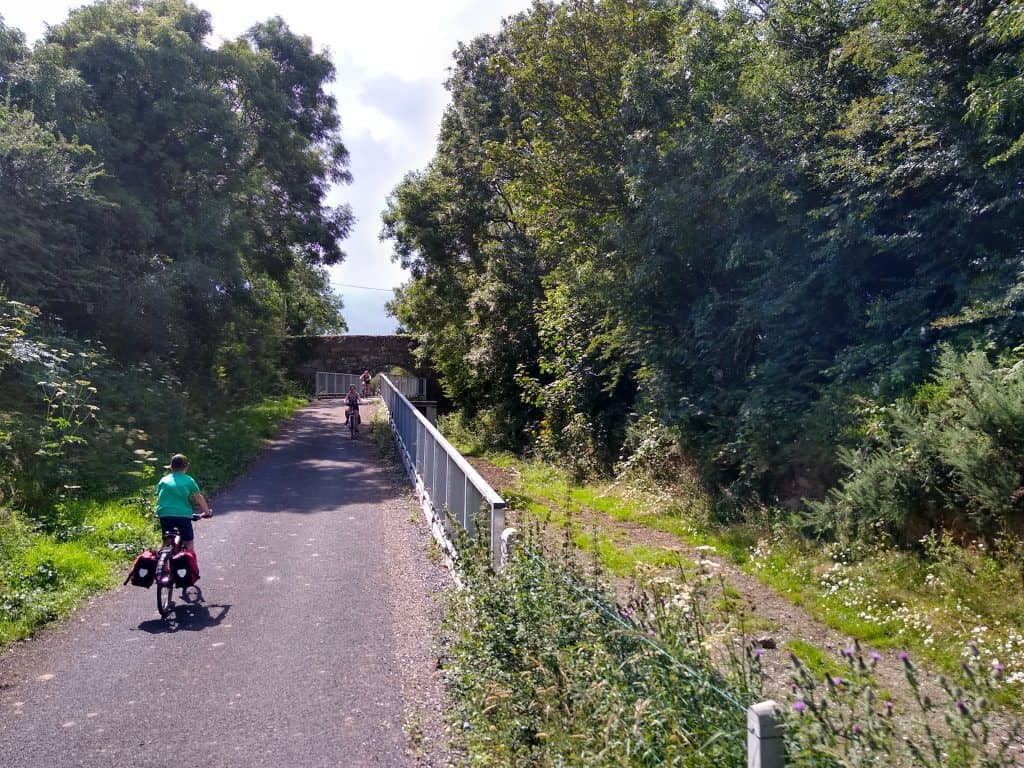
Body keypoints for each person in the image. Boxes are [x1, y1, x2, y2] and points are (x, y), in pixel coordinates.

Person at [156, 453, 211, 553]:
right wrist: (207, 512)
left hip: (164, 513)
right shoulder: (189, 480)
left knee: (167, 540)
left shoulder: (163, 480)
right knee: (188, 541)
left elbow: (159, 497)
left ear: (171, 467)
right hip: (183, 514)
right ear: (186, 467)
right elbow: (198, 498)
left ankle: (161, 565)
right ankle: (189, 565)